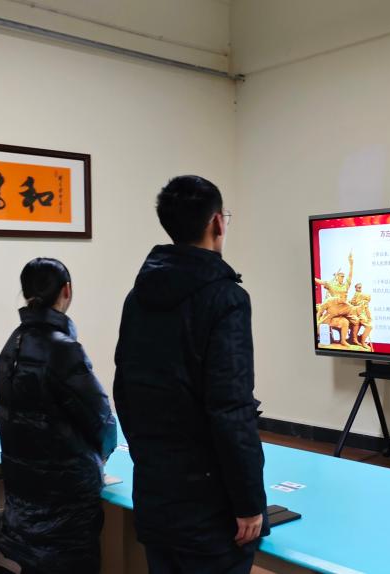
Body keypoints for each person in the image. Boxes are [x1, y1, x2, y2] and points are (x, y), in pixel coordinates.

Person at [114, 175, 269, 574]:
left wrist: (151, 458)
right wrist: (249, 502)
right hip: (209, 505)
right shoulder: (226, 297)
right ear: (217, 222)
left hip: (155, 490)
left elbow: (124, 390)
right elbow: (230, 407)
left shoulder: (138, 295)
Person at [0, 258, 117, 574]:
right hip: (65, 493)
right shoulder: (63, 348)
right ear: (67, 290)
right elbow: (100, 418)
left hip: (26, 487)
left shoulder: (14, 341)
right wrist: (103, 455)